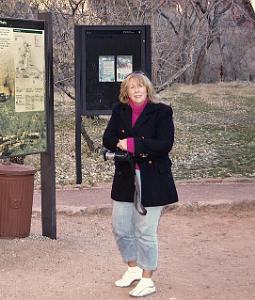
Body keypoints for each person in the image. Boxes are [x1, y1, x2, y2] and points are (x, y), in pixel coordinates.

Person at [102, 71, 178, 297]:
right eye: (132, 87)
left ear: (147, 89)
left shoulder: (162, 112)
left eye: (140, 86)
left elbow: (165, 144)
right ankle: (133, 268)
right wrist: (120, 144)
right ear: (126, 91)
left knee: (145, 231)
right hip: (126, 177)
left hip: (153, 178)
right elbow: (108, 139)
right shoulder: (119, 111)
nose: (136, 90)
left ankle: (147, 279)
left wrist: (133, 144)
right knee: (120, 227)